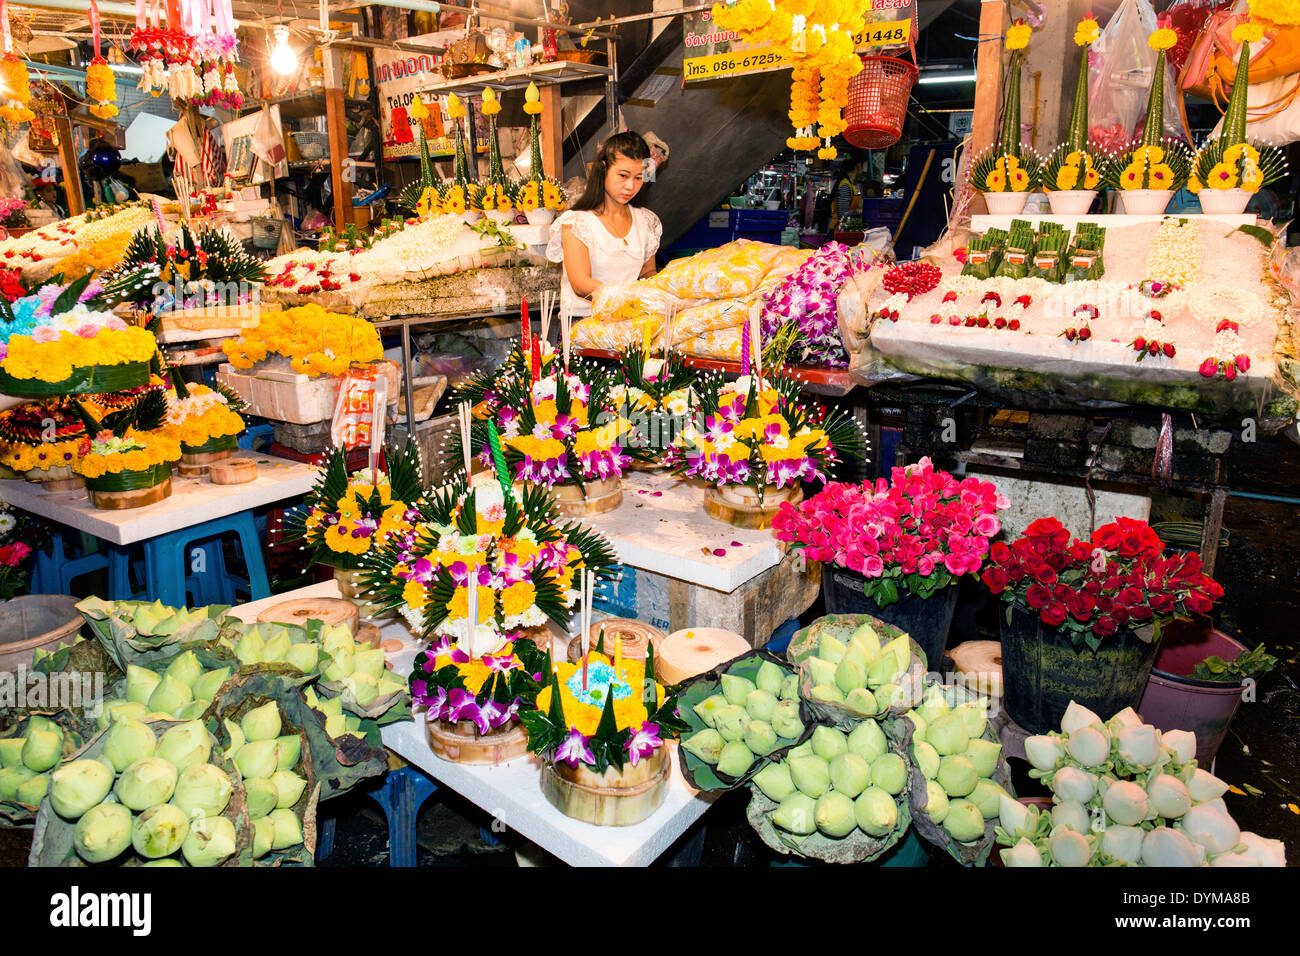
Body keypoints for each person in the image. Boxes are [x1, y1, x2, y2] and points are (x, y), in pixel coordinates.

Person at [546, 131, 662, 318]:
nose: (630, 186)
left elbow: (647, 272)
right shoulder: (576, 222)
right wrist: (627, 298)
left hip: (629, 324)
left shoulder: (645, 221)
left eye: (638, 178)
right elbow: (580, 284)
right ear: (603, 169)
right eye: (623, 176)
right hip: (584, 325)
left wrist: (664, 287)